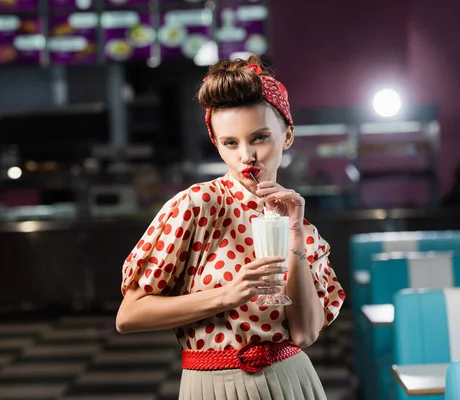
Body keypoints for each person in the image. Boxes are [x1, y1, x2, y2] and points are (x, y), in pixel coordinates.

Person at [116, 55, 345, 400]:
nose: (247, 157)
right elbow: (129, 315)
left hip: (292, 382)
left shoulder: (305, 230)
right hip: (211, 384)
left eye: (260, 138)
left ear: (287, 136)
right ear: (218, 145)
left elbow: (304, 335)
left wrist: (295, 235)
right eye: (231, 143)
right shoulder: (197, 206)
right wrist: (226, 295)